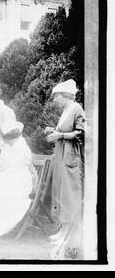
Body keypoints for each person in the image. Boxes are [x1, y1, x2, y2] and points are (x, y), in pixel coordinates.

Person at [46, 79, 85, 259]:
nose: (54, 100)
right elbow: (65, 130)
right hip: (62, 153)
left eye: (56, 97)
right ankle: (63, 230)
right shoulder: (65, 110)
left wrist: (59, 135)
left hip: (70, 156)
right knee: (61, 191)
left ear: (65, 96)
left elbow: (81, 133)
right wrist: (54, 131)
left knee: (69, 194)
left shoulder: (77, 109)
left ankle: (69, 236)